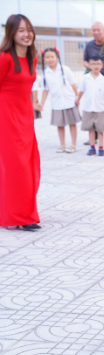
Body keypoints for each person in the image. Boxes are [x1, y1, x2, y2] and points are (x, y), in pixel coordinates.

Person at [0, 14, 41, 232]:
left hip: (25, 117)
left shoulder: (33, 57)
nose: (27, 34)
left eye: (29, 30)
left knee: (29, 164)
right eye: (21, 30)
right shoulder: (5, 58)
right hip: (6, 119)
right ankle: (22, 216)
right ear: (11, 33)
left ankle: (21, 211)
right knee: (16, 168)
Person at [36, 48, 81, 153]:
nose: (50, 59)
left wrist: (77, 96)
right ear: (44, 58)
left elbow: (73, 84)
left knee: (72, 123)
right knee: (59, 124)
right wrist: (42, 103)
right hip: (56, 102)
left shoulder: (65, 69)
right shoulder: (45, 73)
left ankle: (73, 144)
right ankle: (62, 144)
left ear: (57, 57)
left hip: (69, 100)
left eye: (52, 57)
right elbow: (45, 90)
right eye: (47, 57)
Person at [77, 55, 104, 156]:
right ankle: (92, 147)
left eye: (98, 63)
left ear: (101, 65)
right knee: (91, 130)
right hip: (88, 108)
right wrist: (77, 100)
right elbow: (81, 91)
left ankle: (101, 147)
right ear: (89, 65)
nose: (96, 66)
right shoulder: (85, 78)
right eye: (93, 63)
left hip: (101, 109)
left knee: (100, 130)